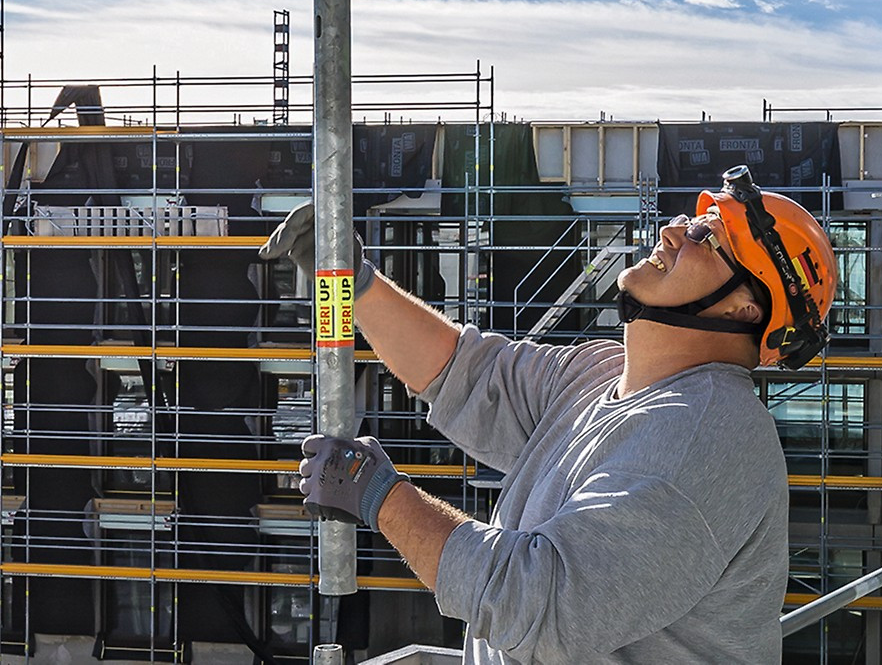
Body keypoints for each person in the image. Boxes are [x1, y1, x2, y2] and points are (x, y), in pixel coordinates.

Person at [259, 165, 836, 664]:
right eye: (693, 221)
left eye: (708, 239)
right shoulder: (605, 376)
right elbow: (469, 373)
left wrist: (382, 498)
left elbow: (541, 603)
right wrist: (351, 282)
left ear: (743, 307)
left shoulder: (704, 437)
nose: (674, 231)